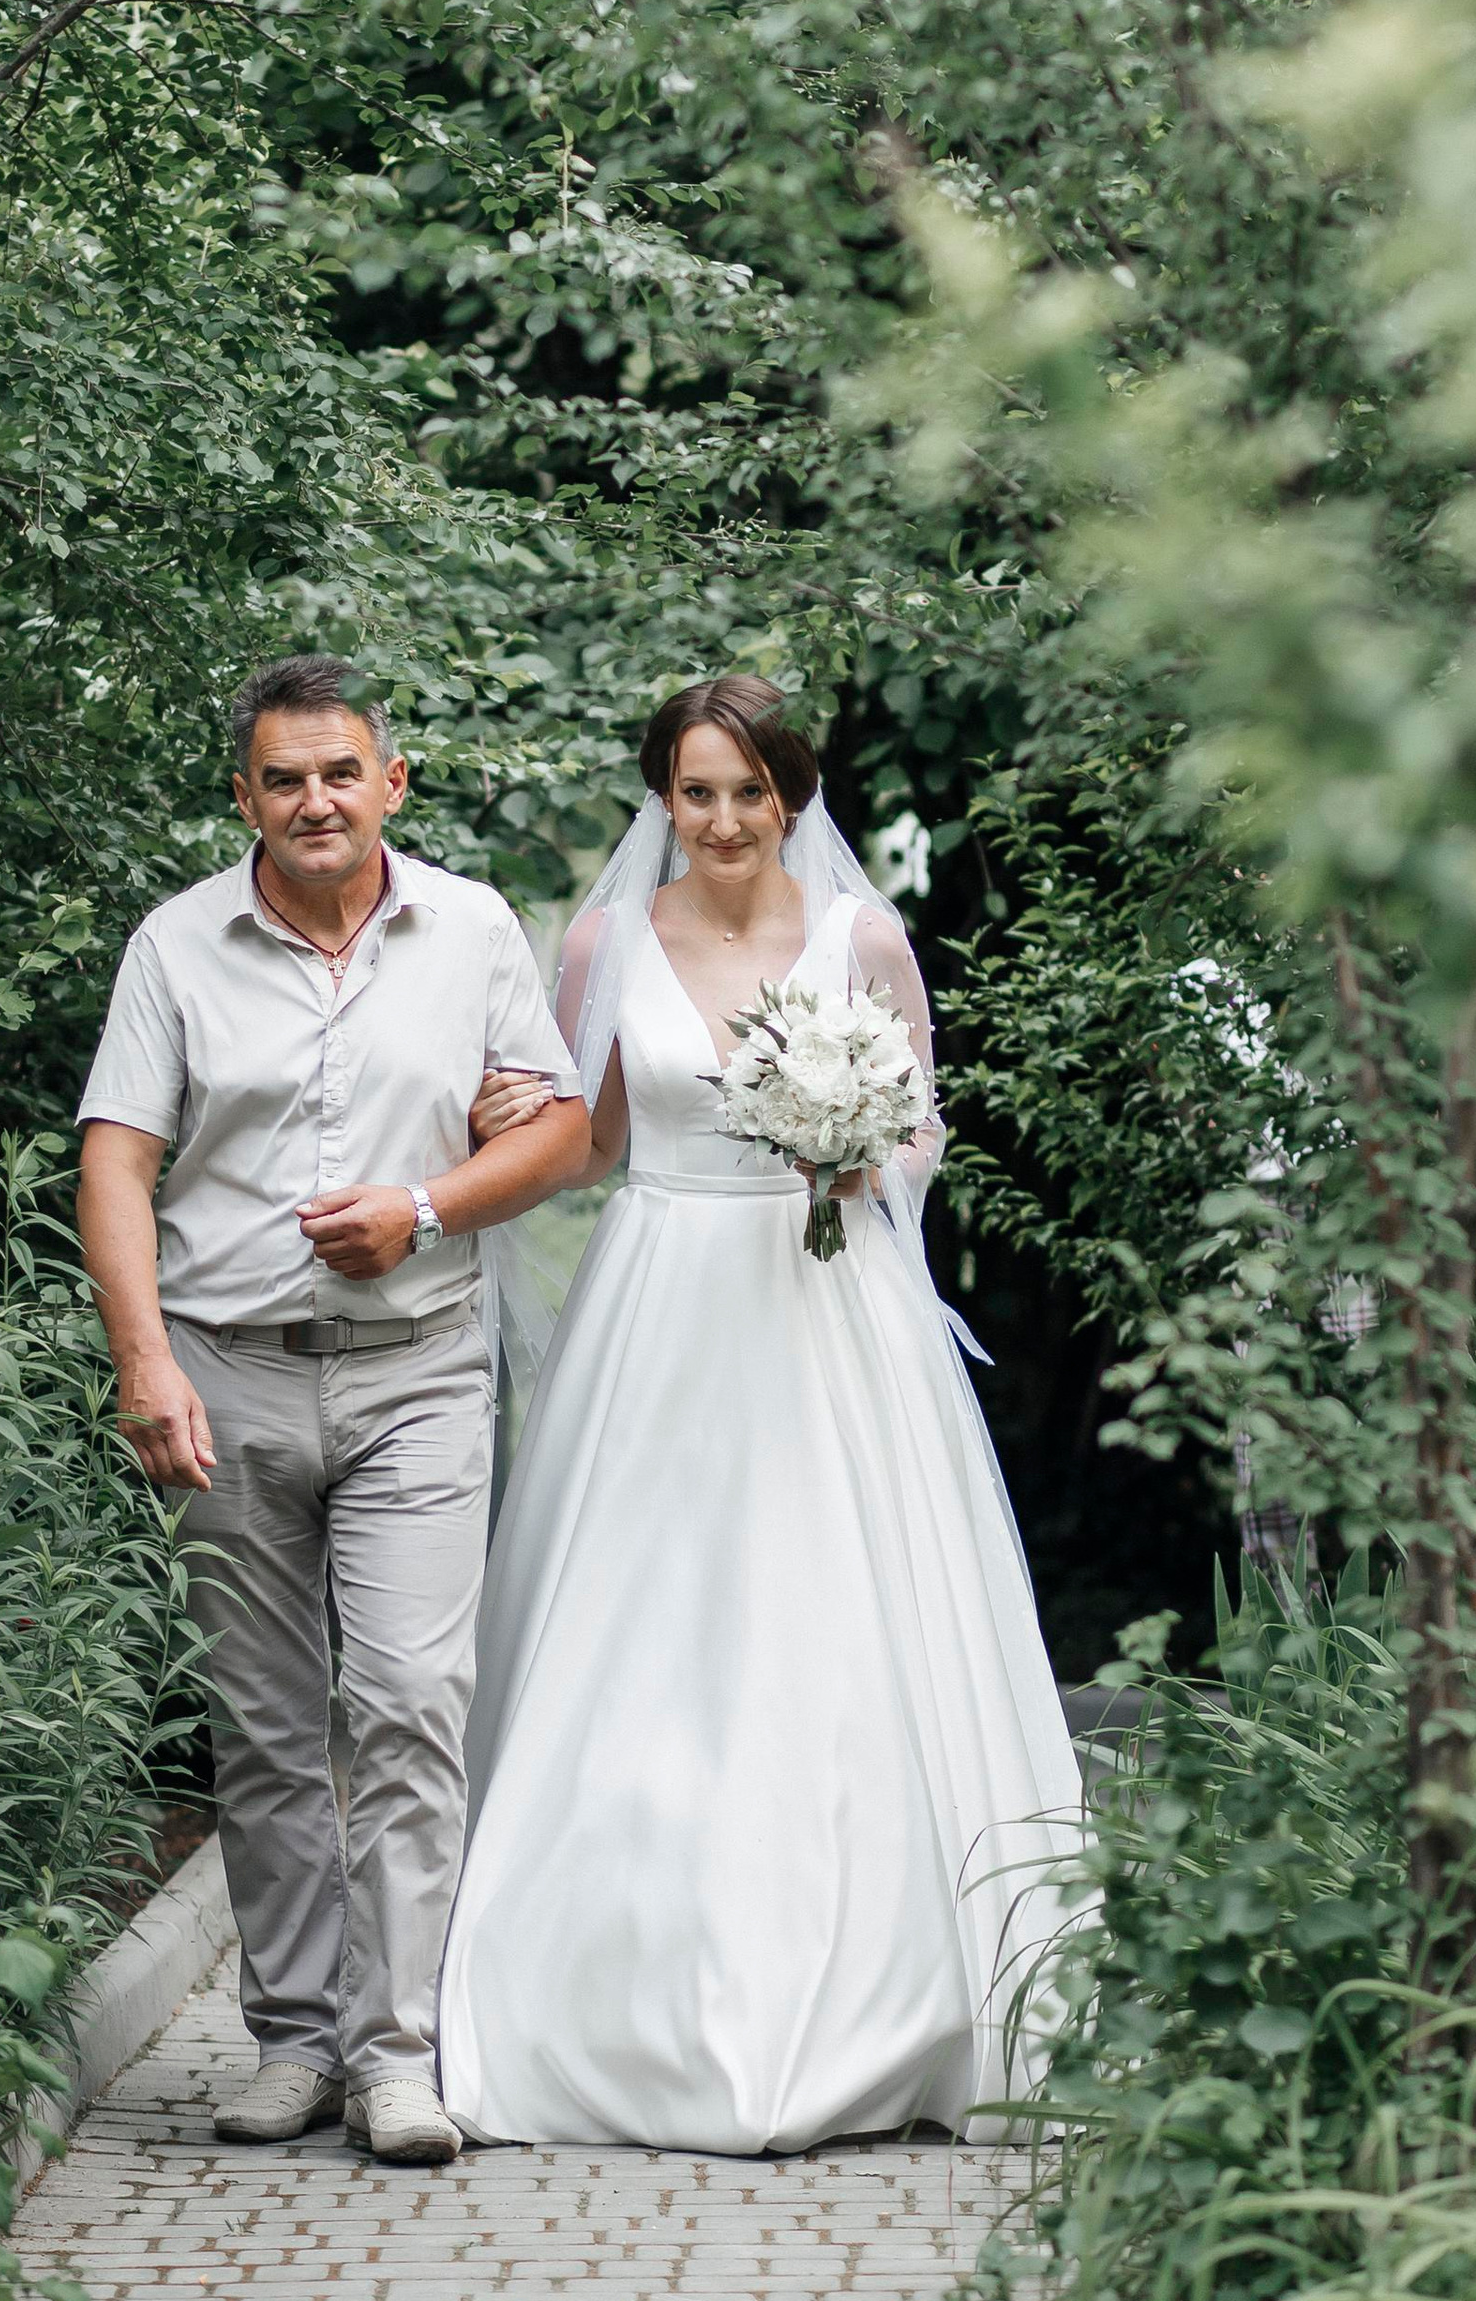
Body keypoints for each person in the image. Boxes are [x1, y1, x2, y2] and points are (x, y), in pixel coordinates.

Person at [437, 674, 1083, 2155]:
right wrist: (466, 1152)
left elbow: (923, 1122)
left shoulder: (862, 936)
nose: (725, 820)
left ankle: (888, 1994)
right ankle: (612, 1992)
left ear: (792, 793)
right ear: (663, 798)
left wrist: (864, 1160)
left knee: (841, 1613)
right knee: (649, 1618)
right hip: (662, 1294)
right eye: (697, 792)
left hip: (827, 1302)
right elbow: (588, 1139)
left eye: (751, 791)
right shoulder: (603, 941)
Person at [76, 655, 589, 2167]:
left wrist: (424, 1209)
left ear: (391, 784)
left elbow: (559, 1127)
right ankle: (294, 2042)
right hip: (225, 1368)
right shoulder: (175, 946)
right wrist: (145, 1363)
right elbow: (116, 1161)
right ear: (245, 796)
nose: (316, 801)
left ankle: (396, 2057)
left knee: (413, 1702)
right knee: (265, 1724)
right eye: (285, 778)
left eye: (341, 773)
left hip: (418, 1370)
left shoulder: (473, 930)